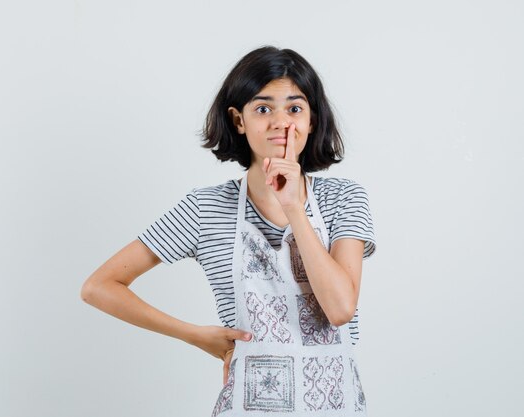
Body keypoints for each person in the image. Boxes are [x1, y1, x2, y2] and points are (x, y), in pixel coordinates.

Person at [81, 45, 376, 416]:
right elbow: (98, 288)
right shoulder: (205, 209)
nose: (281, 122)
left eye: (295, 108)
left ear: (312, 121)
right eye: (263, 108)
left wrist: (293, 210)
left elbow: (339, 308)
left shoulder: (344, 198)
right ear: (239, 120)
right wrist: (195, 335)